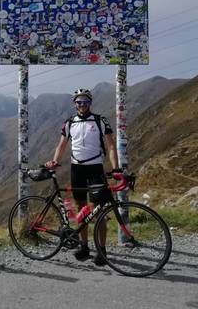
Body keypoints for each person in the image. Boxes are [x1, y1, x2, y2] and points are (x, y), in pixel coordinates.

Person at [45, 88, 119, 266]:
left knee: (100, 209)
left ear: (90, 103)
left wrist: (116, 168)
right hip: (76, 168)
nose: (82, 105)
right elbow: (61, 145)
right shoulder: (70, 123)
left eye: (85, 101)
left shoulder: (100, 121)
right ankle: (84, 246)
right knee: (81, 207)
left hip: (95, 169)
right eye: (79, 102)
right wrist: (54, 161)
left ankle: (102, 250)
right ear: (74, 104)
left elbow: (110, 146)